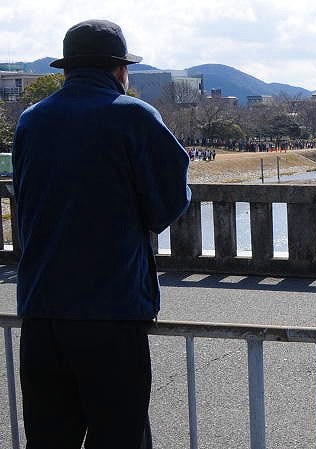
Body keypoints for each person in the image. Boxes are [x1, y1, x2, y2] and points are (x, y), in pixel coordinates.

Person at [12, 20, 191, 449]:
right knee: (118, 435)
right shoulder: (132, 114)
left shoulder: (31, 120)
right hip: (110, 310)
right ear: (119, 70)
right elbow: (166, 203)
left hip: (40, 310)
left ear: (67, 69)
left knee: (49, 437)